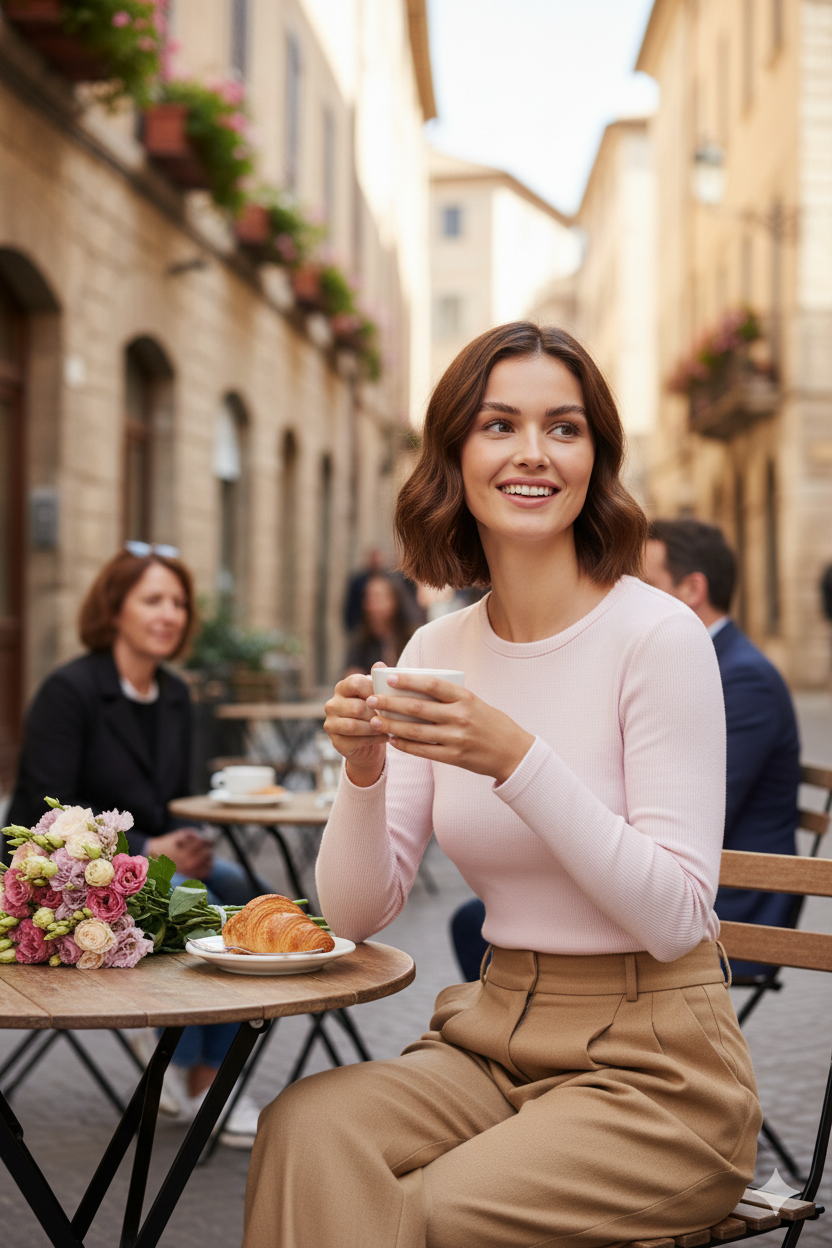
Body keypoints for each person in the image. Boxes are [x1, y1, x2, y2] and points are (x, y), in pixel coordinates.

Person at [242, 323, 761, 1248]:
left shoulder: (658, 636)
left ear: (595, 456)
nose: (533, 453)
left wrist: (516, 759)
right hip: (491, 1036)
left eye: (564, 427)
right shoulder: (437, 649)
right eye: (499, 425)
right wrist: (363, 775)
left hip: (659, 1069)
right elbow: (356, 912)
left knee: (430, 1212)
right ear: (456, 455)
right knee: (304, 1131)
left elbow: (681, 914)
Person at [7, 545, 263, 1146]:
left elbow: (177, 796)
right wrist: (151, 847)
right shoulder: (69, 691)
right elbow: (47, 806)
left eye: (178, 602)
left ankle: (205, 1074)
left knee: (236, 895)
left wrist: (184, 841)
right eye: (153, 600)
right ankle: (184, 1067)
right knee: (185, 894)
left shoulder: (175, 695)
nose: (169, 613)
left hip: (153, 865)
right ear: (115, 609)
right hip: (62, 872)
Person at [644, 519, 801, 978]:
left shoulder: (741, 678)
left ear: (693, 589)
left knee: (485, 921)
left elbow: (703, 809)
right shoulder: (710, 663)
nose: (630, 601)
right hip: (696, 881)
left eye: (648, 586)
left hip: (734, 901)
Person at [343, 574, 415, 676]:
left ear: (394, 600)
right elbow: (351, 673)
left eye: (377, 597)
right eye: (367, 598)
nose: (370, 604)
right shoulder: (361, 640)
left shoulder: (411, 637)